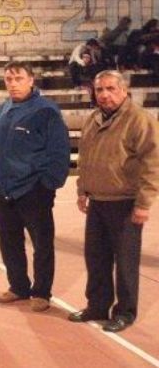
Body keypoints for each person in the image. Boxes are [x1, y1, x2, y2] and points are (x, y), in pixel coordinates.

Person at [69, 70, 159, 333]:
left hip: (125, 202)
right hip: (98, 201)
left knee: (125, 262)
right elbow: (85, 158)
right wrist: (82, 189)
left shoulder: (140, 119)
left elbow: (153, 164)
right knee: (96, 259)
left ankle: (125, 312)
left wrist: (143, 203)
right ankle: (97, 306)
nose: (105, 95)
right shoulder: (94, 118)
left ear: (123, 90)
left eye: (111, 89)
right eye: (100, 89)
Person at [0, 62, 70, 313]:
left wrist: (48, 185)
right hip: (2, 188)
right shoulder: (1, 110)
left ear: (31, 80)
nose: (13, 84)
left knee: (41, 243)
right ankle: (18, 286)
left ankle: (42, 292)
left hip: (33, 189)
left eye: (19, 78)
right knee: (9, 241)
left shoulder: (46, 110)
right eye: (9, 79)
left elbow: (59, 151)